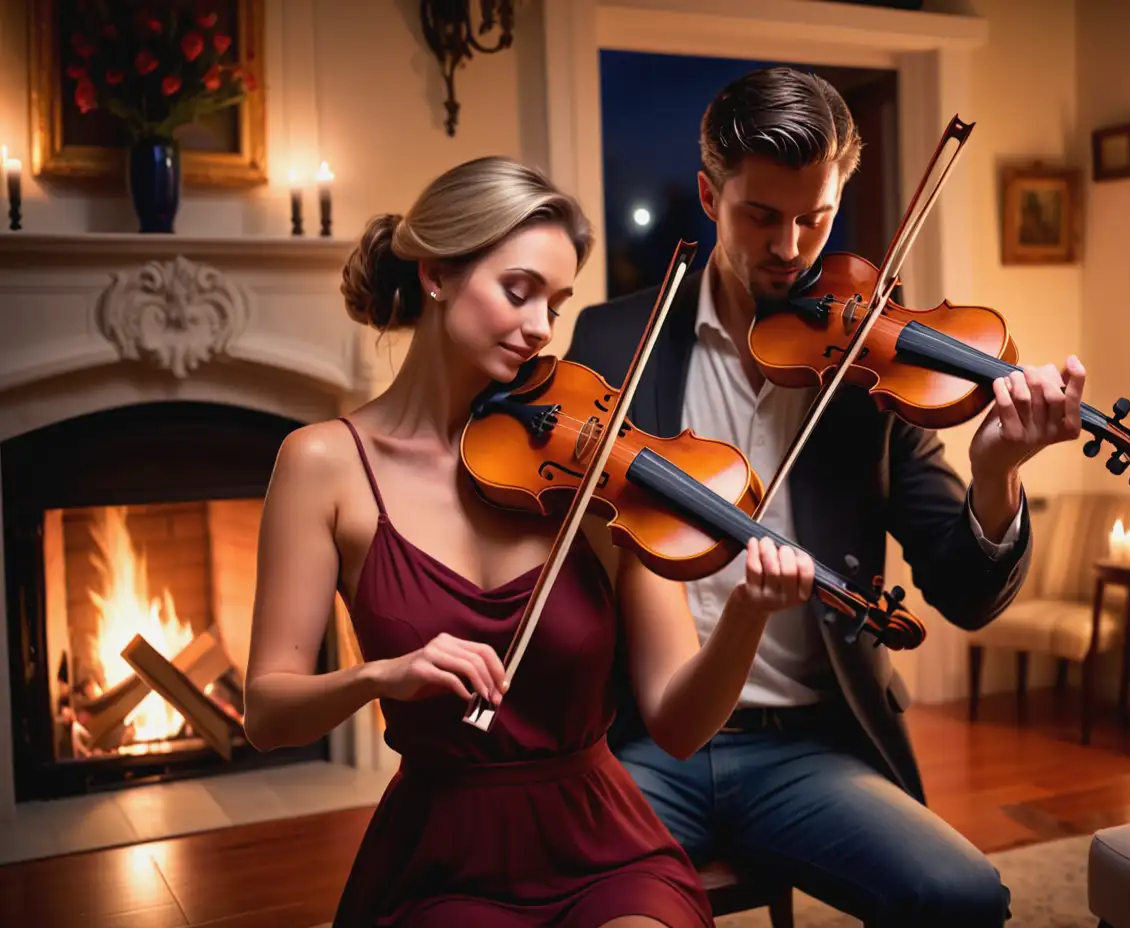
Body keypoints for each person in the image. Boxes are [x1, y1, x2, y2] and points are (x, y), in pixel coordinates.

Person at [564, 67, 1087, 927]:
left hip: (811, 745)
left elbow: (964, 592)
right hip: (649, 744)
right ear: (708, 194)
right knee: (564, 901)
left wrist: (997, 474)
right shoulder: (620, 338)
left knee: (961, 897)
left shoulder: (869, 367)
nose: (792, 247)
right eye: (761, 216)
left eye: (817, 218)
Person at [241, 154, 819, 928]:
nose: (543, 329)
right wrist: (380, 676)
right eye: (518, 292)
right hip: (444, 852)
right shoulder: (322, 464)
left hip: (605, 844)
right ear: (437, 274)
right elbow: (268, 713)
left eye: (556, 301)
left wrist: (747, 614)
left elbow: (677, 727)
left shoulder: (593, 467)